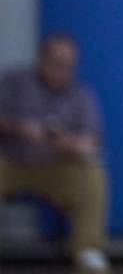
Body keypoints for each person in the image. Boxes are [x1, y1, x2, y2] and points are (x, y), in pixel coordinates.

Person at [0, 33, 110, 273]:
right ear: (42, 60)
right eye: (57, 65)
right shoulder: (14, 82)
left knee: (92, 174)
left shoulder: (82, 95)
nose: (63, 72)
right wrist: (20, 128)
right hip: (11, 161)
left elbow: (91, 141)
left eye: (70, 66)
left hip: (56, 166)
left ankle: (88, 251)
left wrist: (68, 142)